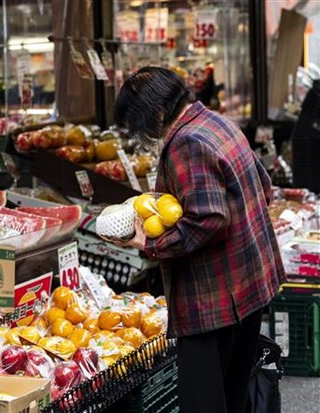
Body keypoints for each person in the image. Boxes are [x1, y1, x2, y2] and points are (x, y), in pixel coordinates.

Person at [113, 67, 286, 413]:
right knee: (233, 394)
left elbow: (208, 220)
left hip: (215, 301)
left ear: (155, 113)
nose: (143, 134)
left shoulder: (186, 142)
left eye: (139, 123)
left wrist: (148, 243)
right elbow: (264, 186)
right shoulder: (217, 123)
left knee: (204, 403)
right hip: (251, 286)